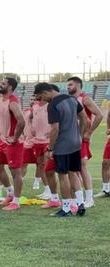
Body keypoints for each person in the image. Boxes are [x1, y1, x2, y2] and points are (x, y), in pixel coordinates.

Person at [34, 82, 87, 217]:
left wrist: (51, 148)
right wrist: (80, 135)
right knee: (73, 173)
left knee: (63, 176)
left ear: (46, 92)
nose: (42, 100)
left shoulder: (53, 105)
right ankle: (81, 203)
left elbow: (55, 128)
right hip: (75, 143)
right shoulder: (72, 99)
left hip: (62, 145)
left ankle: (66, 208)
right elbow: (84, 118)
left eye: (41, 97)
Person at [67, 77, 103, 208]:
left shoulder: (85, 98)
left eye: (70, 84)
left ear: (78, 85)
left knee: (82, 166)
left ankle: (89, 199)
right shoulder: (70, 100)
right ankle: (79, 197)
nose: (68, 87)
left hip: (82, 139)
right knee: (74, 169)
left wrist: (89, 132)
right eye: (67, 85)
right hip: (72, 138)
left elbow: (99, 115)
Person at [0, 77, 25, 211]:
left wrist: (15, 137)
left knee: (15, 172)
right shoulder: (1, 99)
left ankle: (16, 202)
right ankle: (10, 193)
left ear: (10, 87)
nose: (1, 85)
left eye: (3, 83)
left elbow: (21, 121)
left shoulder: (12, 102)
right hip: (2, 140)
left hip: (13, 143)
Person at [31, 94, 52, 200]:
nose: (36, 96)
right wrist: (32, 127)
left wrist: (52, 131)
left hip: (47, 141)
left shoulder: (50, 105)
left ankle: (51, 191)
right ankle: (47, 189)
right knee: (40, 165)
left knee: (45, 166)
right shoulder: (34, 106)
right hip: (37, 140)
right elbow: (31, 118)